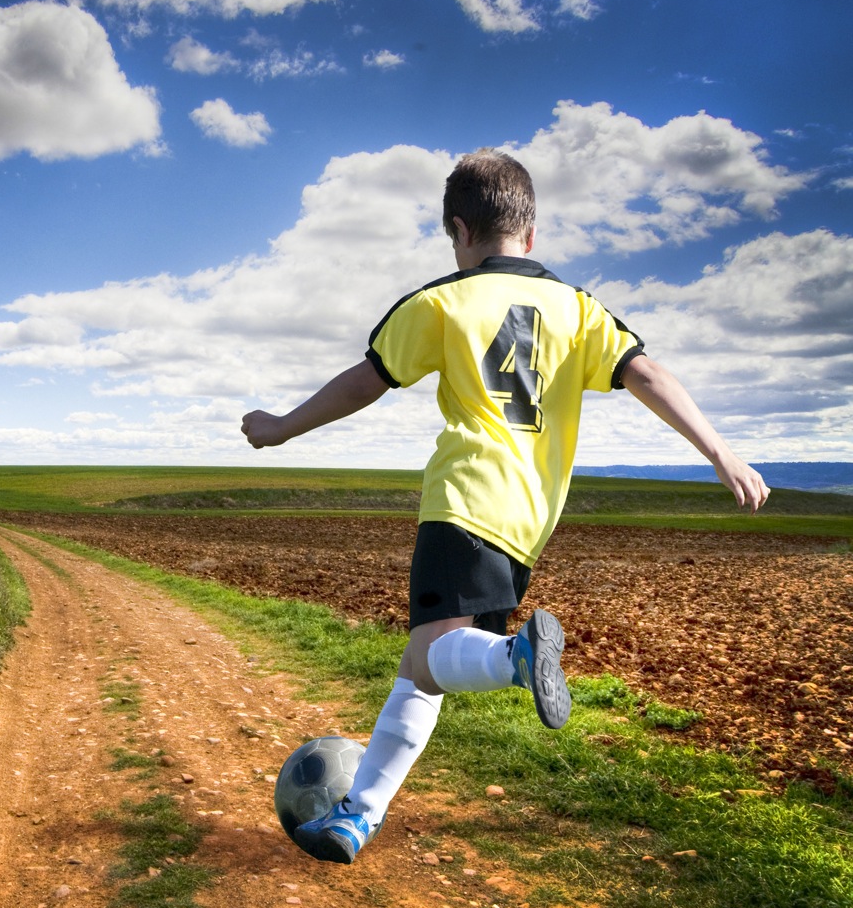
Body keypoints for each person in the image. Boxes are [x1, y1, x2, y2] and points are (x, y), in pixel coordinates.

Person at [240, 148, 770, 865]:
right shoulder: (577, 308)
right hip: (527, 521)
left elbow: (364, 383)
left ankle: (518, 658)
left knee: (434, 659)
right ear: (531, 230)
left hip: (463, 499)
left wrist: (279, 428)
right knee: (424, 666)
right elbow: (644, 371)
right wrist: (719, 451)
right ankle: (356, 817)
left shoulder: (440, 302)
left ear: (458, 230)